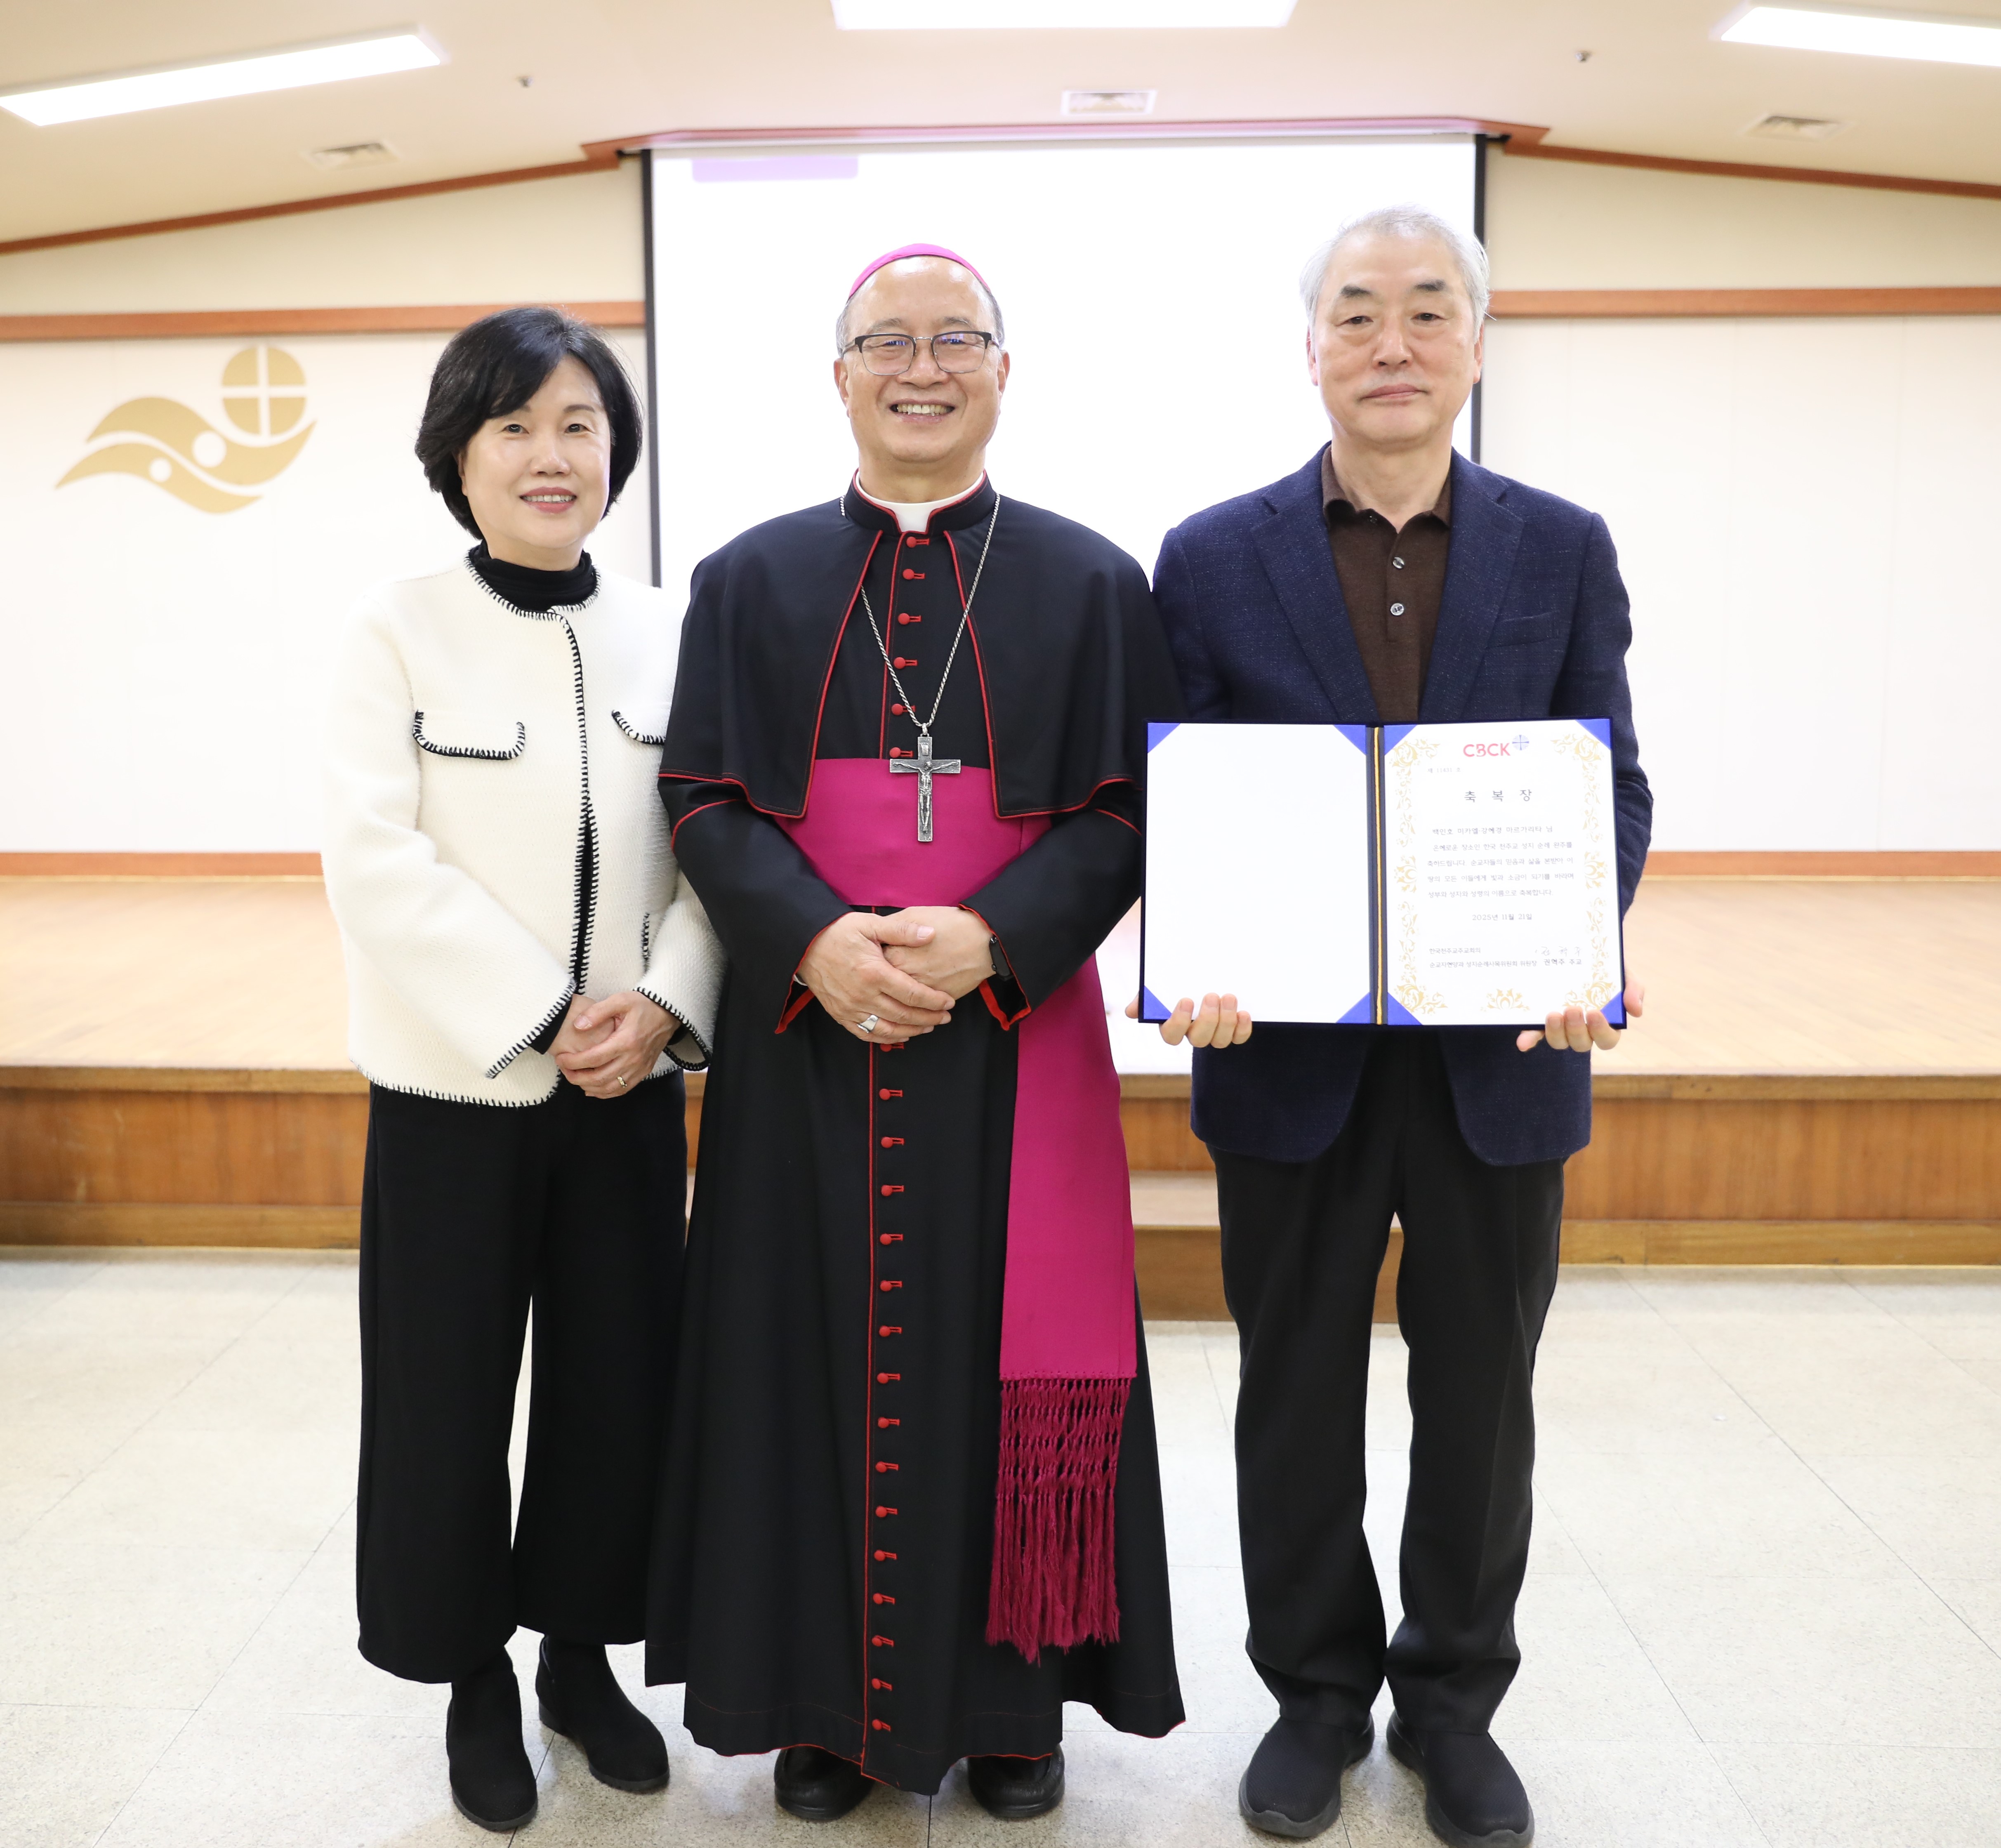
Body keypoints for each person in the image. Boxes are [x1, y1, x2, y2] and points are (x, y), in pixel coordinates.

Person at [644, 246, 1186, 1820]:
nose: (922, 366)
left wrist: (987, 942)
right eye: (888, 341)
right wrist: (817, 939)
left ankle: (1014, 1707)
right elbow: (703, 795)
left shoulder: (1092, 585)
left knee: (1004, 1363)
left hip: (1008, 1047)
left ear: (1004, 373)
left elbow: (1131, 804)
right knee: (796, 1353)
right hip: (807, 1039)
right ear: (840, 375)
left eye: (957, 339)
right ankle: (820, 1706)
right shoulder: (748, 583)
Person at [1145, 207, 1650, 1848]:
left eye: (1426, 312)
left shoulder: (1560, 544)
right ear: (1311, 349)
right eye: (1355, 312)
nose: (1389, 341)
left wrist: (1584, 935)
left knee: (1481, 1396)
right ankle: (1309, 1695)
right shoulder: (1210, 554)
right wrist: (1194, 952)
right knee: (1291, 1387)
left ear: (1474, 346)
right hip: (1280, 1053)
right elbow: (1186, 796)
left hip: (1501, 1056)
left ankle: (1449, 1706)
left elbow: (1605, 781)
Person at [322, 307, 722, 1833]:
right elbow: (374, 856)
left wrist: (666, 1005)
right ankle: (470, 1672)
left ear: (613, 453)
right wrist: (542, 1007)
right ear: (459, 455)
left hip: (629, 1088)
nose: (550, 457)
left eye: (578, 427)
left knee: (618, 1385)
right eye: (514, 427)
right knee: (441, 1398)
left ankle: (576, 1659)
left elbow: (712, 856)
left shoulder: (669, 630)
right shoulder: (394, 628)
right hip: (454, 1091)